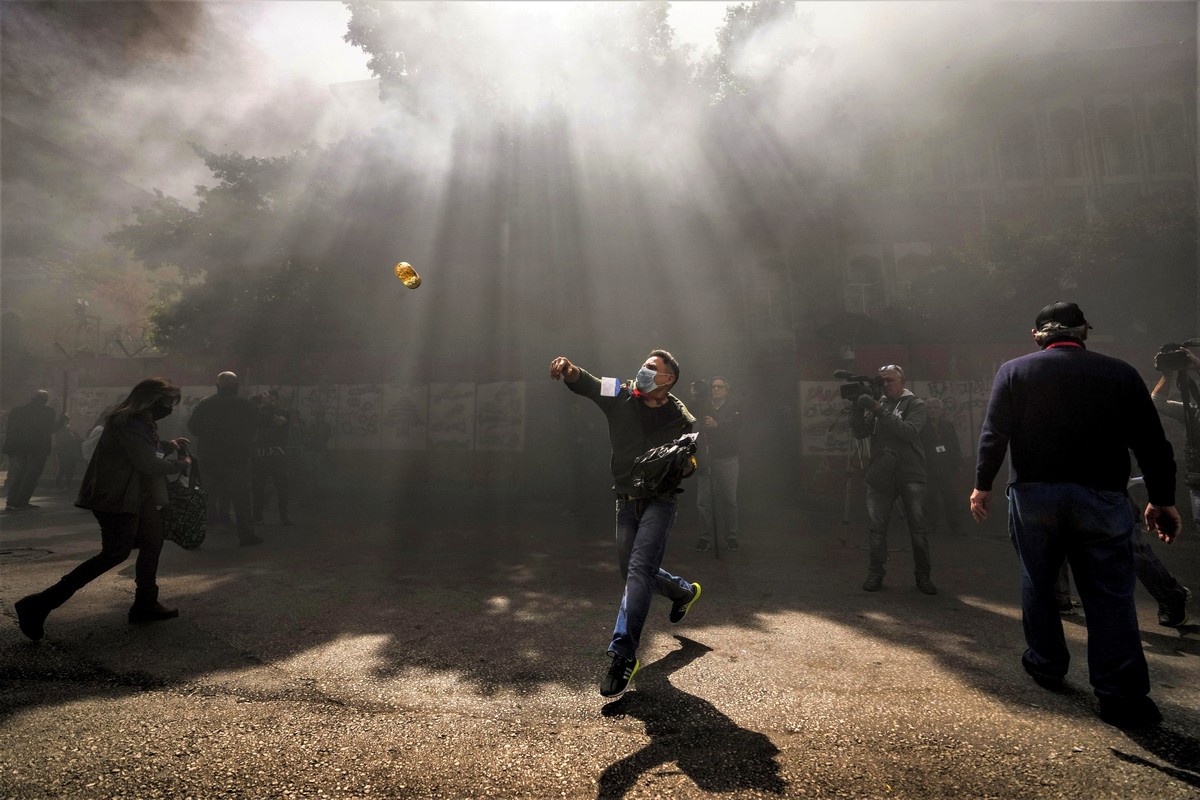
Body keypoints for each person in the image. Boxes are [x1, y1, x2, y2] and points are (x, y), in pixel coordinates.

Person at [971, 301, 1180, 729]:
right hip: (1102, 497)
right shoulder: (1120, 373)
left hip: (1033, 497)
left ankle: (1046, 664)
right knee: (1109, 594)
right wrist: (1161, 499)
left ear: (1037, 336)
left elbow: (995, 435)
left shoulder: (1014, 371)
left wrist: (983, 485)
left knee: (1039, 581)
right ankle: (1121, 696)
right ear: (1085, 330)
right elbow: (1153, 443)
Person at [550, 350, 702, 698]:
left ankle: (623, 655)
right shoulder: (620, 392)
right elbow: (586, 383)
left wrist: (686, 464)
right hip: (626, 500)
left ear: (668, 380)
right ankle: (683, 592)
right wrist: (570, 369)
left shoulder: (681, 419)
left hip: (660, 502)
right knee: (631, 570)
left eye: (653, 368)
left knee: (637, 572)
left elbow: (690, 462)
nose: (644, 370)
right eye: (645, 365)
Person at [14, 378, 193, 640]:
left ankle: (146, 602)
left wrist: (167, 446)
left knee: (153, 540)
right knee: (114, 554)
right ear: (151, 400)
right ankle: (39, 604)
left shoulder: (138, 421)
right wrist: (181, 465)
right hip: (117, 497)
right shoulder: (129, 422)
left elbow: (145, 451)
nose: (170, 409)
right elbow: (147, 463)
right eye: (167, 403)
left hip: (134, 495)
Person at [859, 365, 936, 595]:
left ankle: (923, 576)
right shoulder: (878, 403)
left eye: (890, 380)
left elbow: (909, 432)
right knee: (877, 528)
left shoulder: (916, 404)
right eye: (881, 381)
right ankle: (876, 572)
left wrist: (878, 409)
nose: (885, 385)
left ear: (902, 381)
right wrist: (858, 408)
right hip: (882, 472)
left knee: (918, 529)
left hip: (910, 472)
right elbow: (860, 432)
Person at [187, 372, 262, 546]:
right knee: (241, 497)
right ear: (236, 386)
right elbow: (257, 423)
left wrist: (209, 437)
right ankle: (246, 535)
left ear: (217, 386)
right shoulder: (244, 404)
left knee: (205, 497)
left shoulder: (205, 404)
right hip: (236, 459)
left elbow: (193, 427)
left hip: (209, 459)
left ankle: (193, 537)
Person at [692, 376, 741, 552]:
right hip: (707, 458)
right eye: (713, 387)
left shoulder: (734, 407)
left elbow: (737, 424)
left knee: (729, 499)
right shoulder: (704, 407)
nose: (716, 389)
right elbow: (693, 423)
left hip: (728, 458)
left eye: (720, 387)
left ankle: (732, 536)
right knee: (703, 501)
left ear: (727, 390)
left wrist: (717, 424)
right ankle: (704, 537)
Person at [3, 390, 67, 511]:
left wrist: (9, 448)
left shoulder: (17, 411)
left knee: (18, 474)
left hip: (18, 448)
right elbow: (48, 430)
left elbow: (10, 429)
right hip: (37, 449)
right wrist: (62, 422)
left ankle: (11, 501)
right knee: (31, 475)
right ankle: (22, 501)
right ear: (45, 400)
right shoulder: (47, 412)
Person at [920, 398, 965, 537]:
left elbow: (955, 446)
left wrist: (958, 464)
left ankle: (955, 526)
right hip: (930, 468)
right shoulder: (922, 428)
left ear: (941, 410)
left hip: (946, 468)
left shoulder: (947, 426)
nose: (933, 411)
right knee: (930, 499)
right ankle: (931, 525)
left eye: (935, 408)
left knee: (951, 499)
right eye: (930, 408)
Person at [251, 390, 292, 526]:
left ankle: (284, 516)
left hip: (277, 457)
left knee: (283, 488)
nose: (270, 401)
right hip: (261, 457)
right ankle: (257, 516)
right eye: (268, 399)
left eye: (272, 399)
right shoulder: (258, 412)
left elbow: (279, 422)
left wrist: (267, 408)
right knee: (257, 488)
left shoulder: (283, 412)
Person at [53, 424, 86, 490]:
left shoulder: (67, 433)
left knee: (66, 470)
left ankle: (64, 485)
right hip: (65, 454)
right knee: (64, 469)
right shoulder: (63, 434)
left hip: (68, 454)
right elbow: (76, 440)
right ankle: (62, 485)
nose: (69, 426)